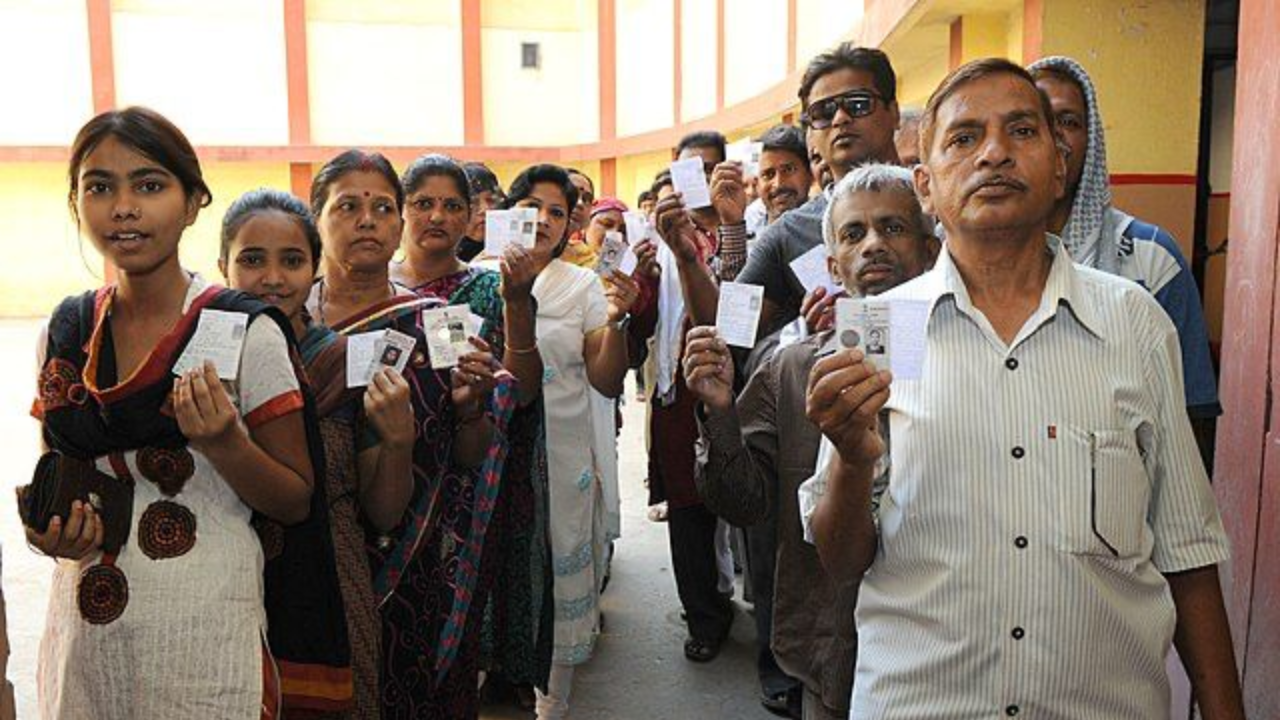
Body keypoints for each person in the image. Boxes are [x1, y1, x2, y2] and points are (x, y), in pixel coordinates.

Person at [806, 58, 1244, 719]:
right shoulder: (881, 327)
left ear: (1060, 168)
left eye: (1021, 130)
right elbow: (841, 562)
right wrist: (851, 455)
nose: (994, 153)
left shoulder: (1134, 324)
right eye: (964, 137)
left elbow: (1187, 550)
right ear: (924, 186)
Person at [27, 107, 317, 719]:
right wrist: (50, 531)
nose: (124, 207)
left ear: (192, 204)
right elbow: (55, 473)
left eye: (150, 185)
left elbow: (295, 499)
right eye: (100, 187)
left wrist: (226, 442)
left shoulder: (244, 331)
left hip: (204, 639)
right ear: (78, 204)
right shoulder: (66, 332)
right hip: (87, 638)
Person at [685, 164, 937, 720]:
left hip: (942, 659)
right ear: (832, 265)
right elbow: (743, 502)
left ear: (930, 249)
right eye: (854, 234)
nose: (873, 245)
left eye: (893, 228)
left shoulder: (969, 361)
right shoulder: (792, 367)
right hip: (831, 652)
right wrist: (721, 411)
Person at [306, 149, 507, 719]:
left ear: (399, 225)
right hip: (309, 559)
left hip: (417, 568)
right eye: (348, 205)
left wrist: (471, 410)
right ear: (317, 218)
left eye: (382, 207)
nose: (366, 220)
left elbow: (469, 454)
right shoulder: (291, 322)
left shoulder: (439, 321)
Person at [220, 188, 416, 720]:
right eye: (252, 260)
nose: (273, 279)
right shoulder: (202, 361)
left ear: (314, 268)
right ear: (223, 265)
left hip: (330, 584)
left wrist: (397, 440)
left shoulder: (343, 365)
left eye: (292, 261)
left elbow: (383, 511)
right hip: (223, 586)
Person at [388, 154, 552, 708]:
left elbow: (523, 390)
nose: (437, 215)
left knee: (451, 638)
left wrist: (516, 301)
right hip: (384, 481)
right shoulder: (370, 290)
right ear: (403, 212)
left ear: (470, 217)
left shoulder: (485, 289)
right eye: (423, 203)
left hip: (464, 488)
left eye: (452, 205)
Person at [1028, 56, 1221, 429]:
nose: (1055, 138)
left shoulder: (1150, 256)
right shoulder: (979, 255)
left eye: (1069, 122)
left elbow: (1192, 413)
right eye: (1034, 124)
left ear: (1093, 139)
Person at [676, 44, 903, 339]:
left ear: (894, 112)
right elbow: (730, 331)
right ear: (811, 134)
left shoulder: (938, 204)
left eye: (858, 104)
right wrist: (686, 259)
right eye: (823, 111)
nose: (840, 119)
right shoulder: (788, 233)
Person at [458, 161, 506, 262]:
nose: (486, 209)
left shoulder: (511, 249)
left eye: (491, 200)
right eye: (473, 202)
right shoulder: (440, 254)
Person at [558, 168, 598, 269]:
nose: (580, 203)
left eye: (587, 199)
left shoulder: (586, 256)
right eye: (571, 194)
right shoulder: (523, 251)